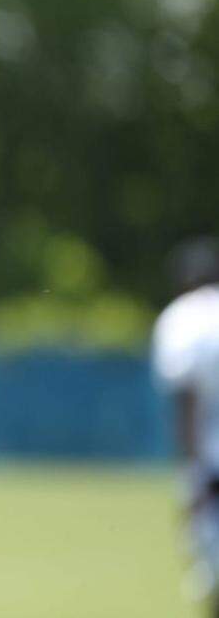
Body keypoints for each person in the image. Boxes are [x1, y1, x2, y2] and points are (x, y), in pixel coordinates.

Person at [152, 237, 219, 613]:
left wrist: (191, 470)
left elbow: (188, 398)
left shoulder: (184, 317)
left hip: (211, 463)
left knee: (209, 574)